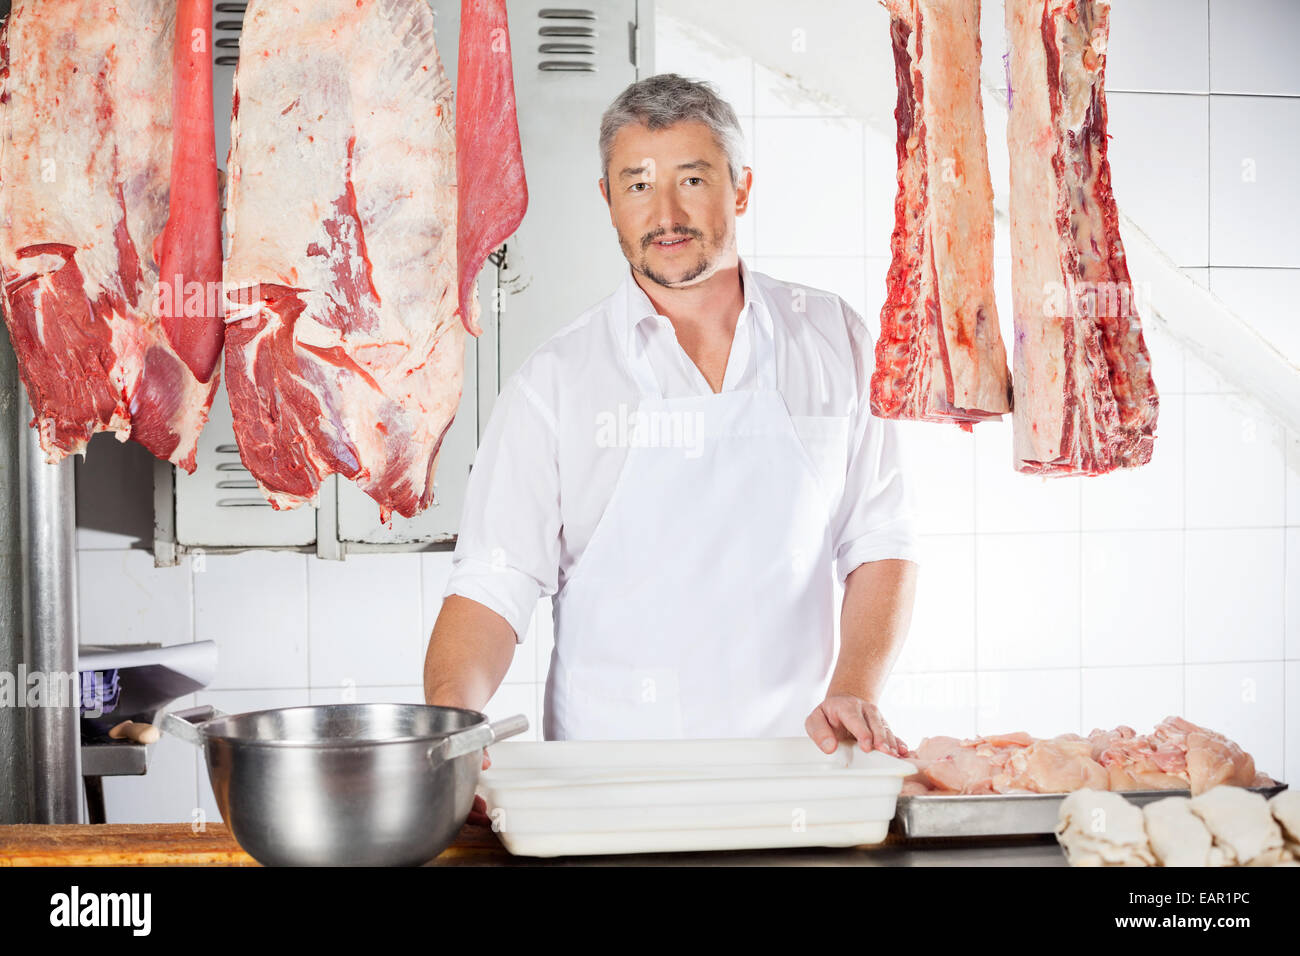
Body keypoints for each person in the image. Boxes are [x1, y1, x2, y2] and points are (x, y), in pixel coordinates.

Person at [424, 73, 921, 800]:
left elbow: (880, 541)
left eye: (693, 179)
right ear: (607, 201)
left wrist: (855, 687)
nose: (666, 214)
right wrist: (449, 729)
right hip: (609, 796)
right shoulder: (555, 382)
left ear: (741, 187)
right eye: (637, 185)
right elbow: (491, 589)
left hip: (803, 779)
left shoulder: (832, 335)